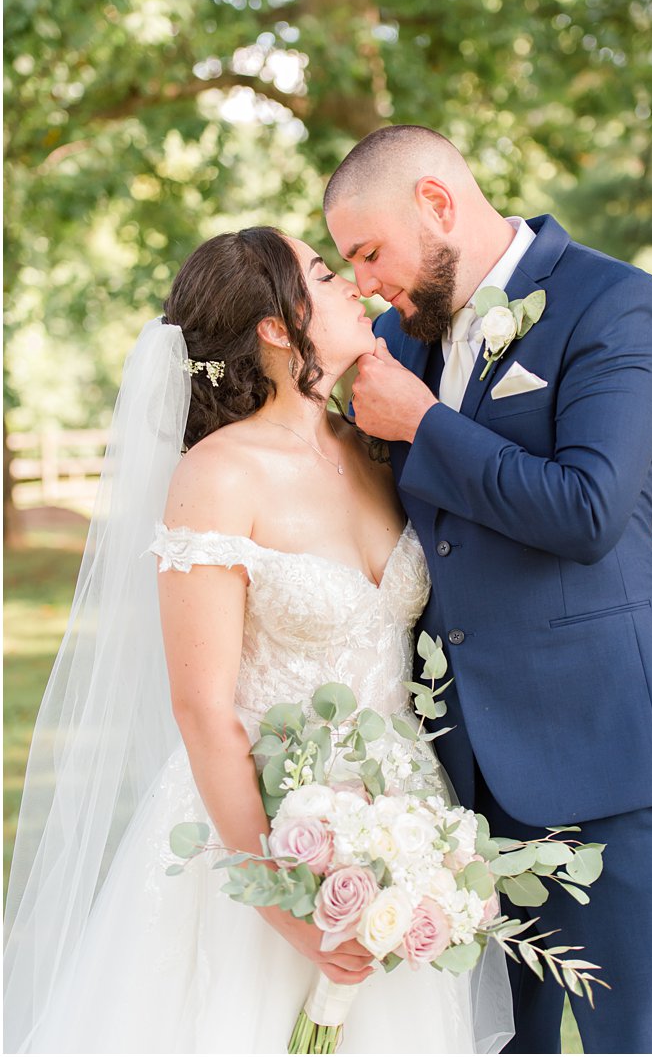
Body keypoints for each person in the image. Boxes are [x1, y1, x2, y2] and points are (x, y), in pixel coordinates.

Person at [3, 226, 525, 1051]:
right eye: (325, 273)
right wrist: (288, 905)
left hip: (404, 829)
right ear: (278, 329)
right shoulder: (216, 476)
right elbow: (202, 709)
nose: (355, 282)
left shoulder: (374, 448)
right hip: (261, 832)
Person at [323, 125, 652, 1054]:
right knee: (491, 1043)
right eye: (349, 265)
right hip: (448, 776)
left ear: (438, 204)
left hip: (601, 744)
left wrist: (426, 424)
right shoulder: (390, 342)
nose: (366, 283)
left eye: (370, 253)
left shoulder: (612, 300)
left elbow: (586, 509)